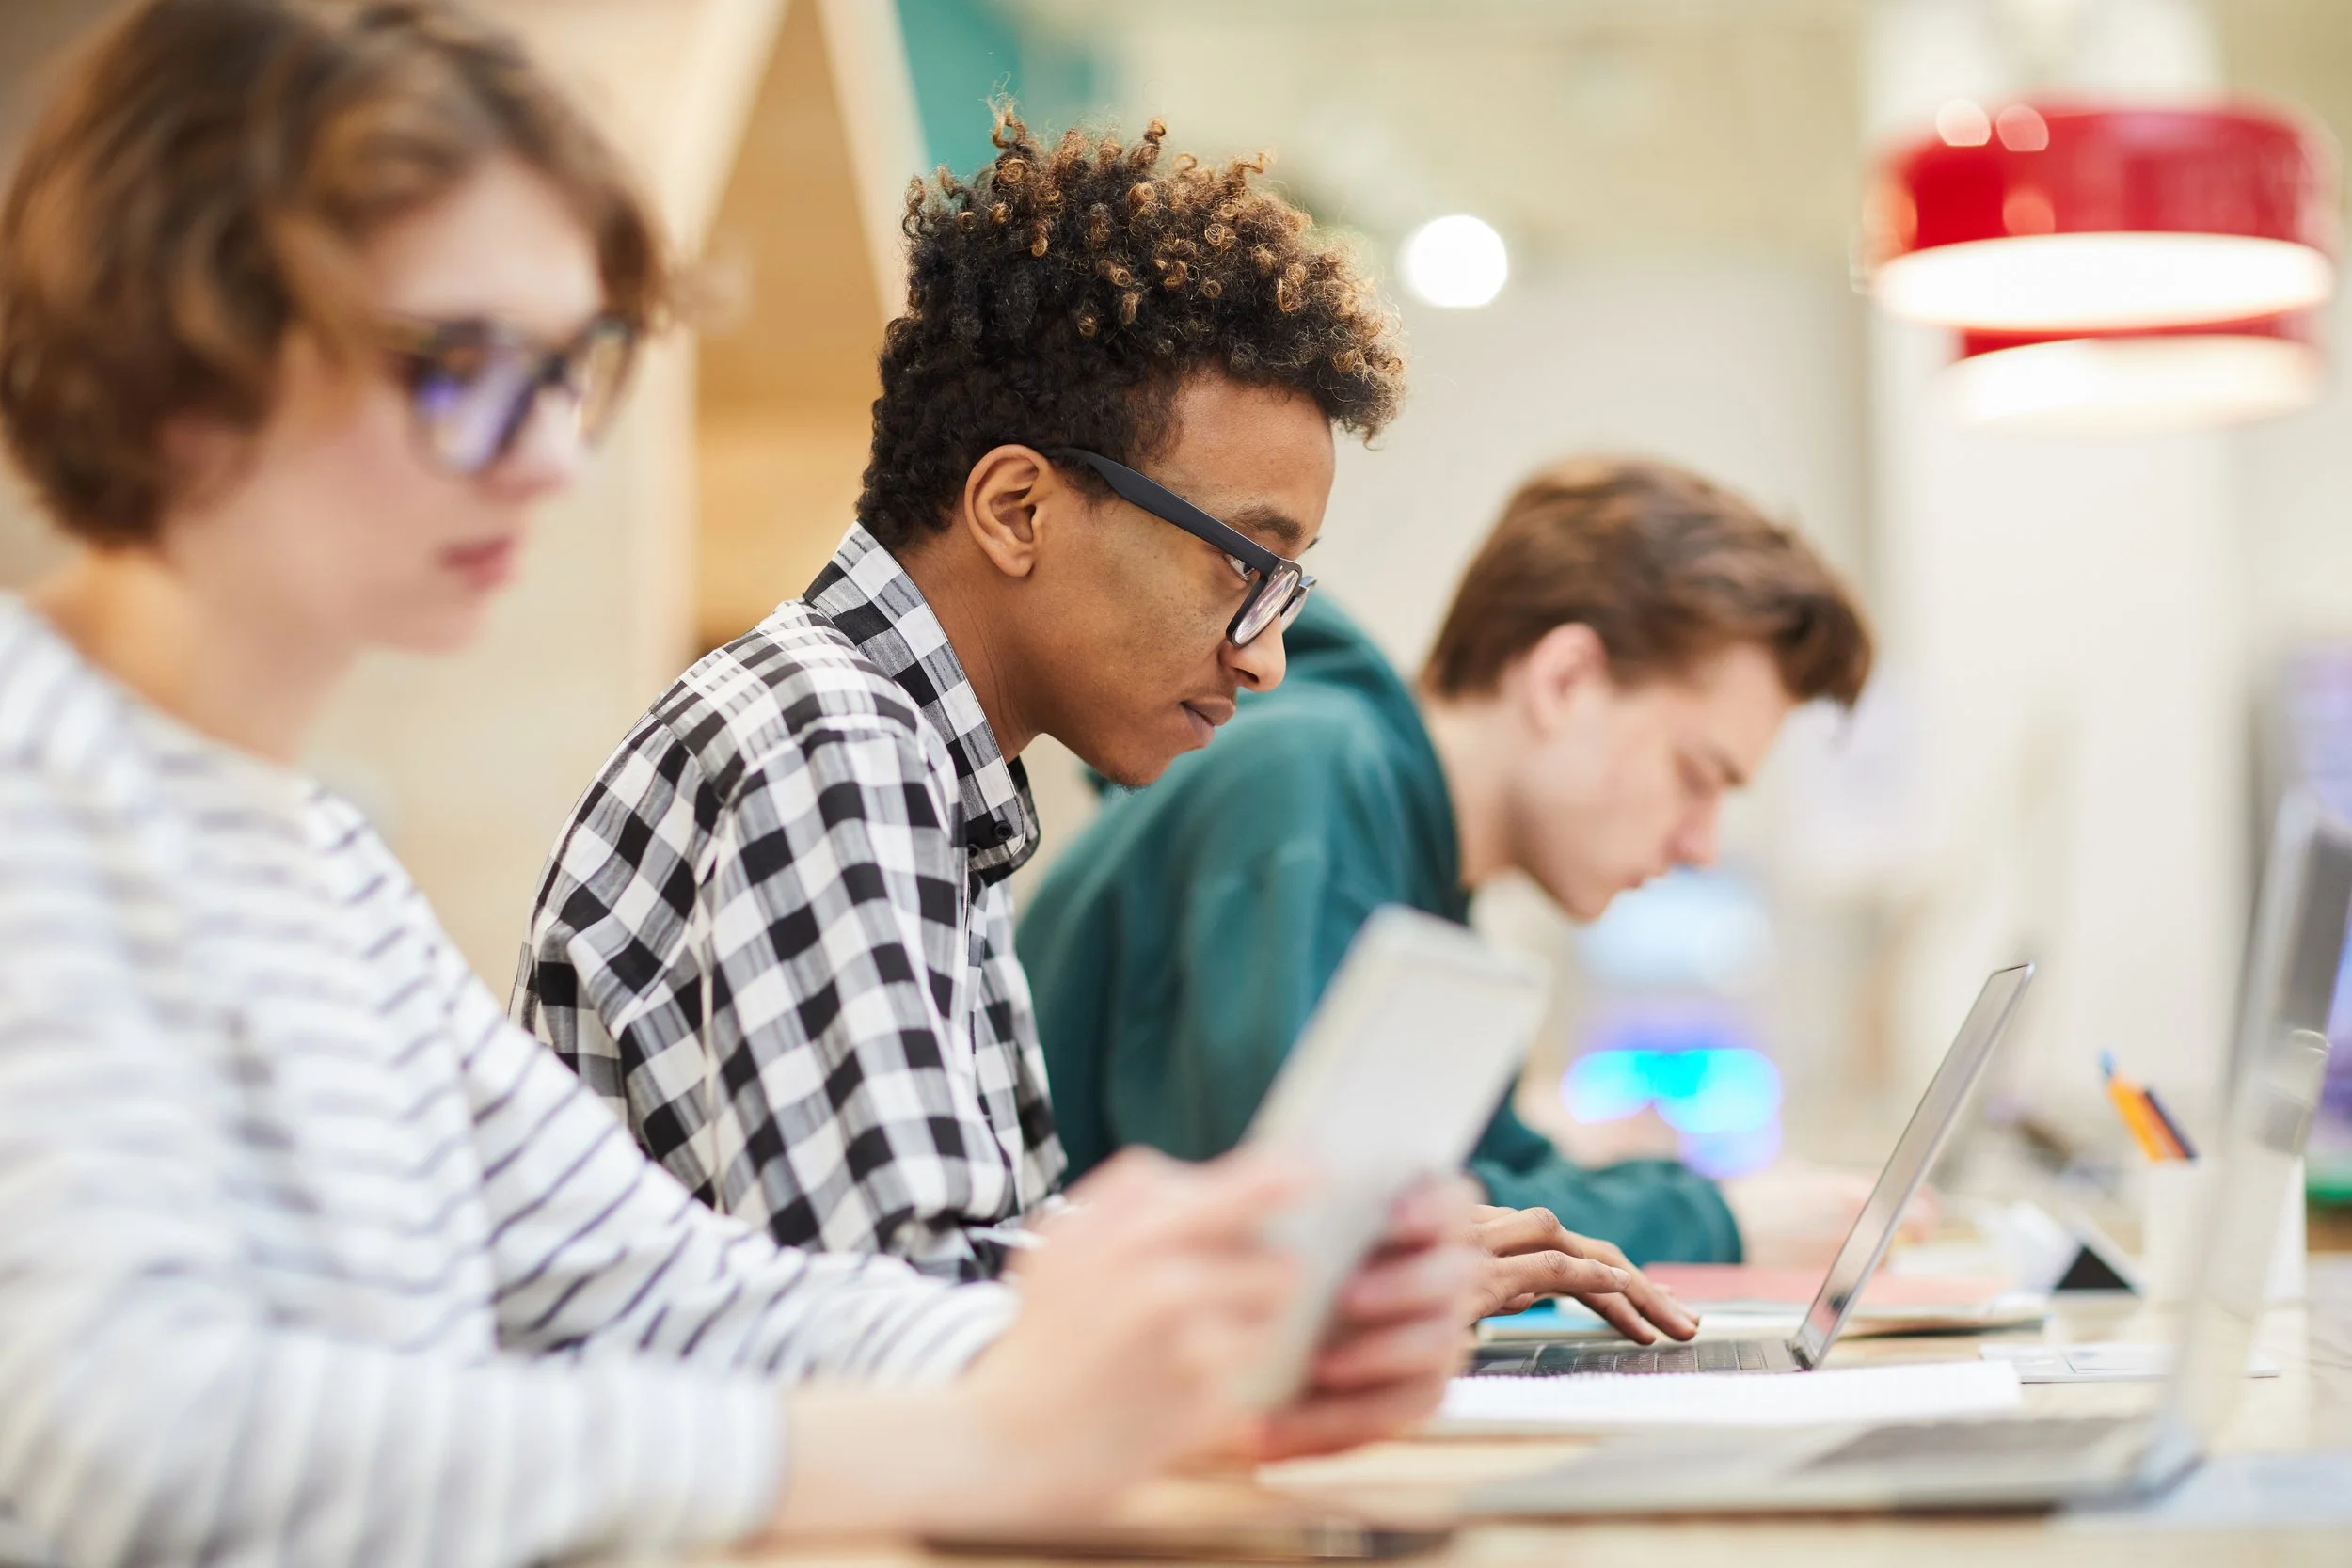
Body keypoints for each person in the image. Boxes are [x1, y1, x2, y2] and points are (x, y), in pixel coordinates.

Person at [0, 5, 1481, 1563]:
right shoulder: (36, 793)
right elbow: (141, 1438)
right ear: (184, 354)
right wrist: (970, 1421)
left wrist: (1181, 1353)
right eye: (462, 369)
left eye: (576, 372)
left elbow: (668, 1288)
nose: (554, 459)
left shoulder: (318, 862)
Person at [507, 103, 1677, 1332]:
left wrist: (1320, 1257)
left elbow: (972, 1242)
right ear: (1018, 508)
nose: (1270, 657)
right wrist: (1292, 1286)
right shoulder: (833, 739)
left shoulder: (916, 760)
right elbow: (903, 1313)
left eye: (1288, 586)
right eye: (1244, 565)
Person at [1018, 457, 1890, 1290]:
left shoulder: (1416, 873)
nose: (1702, 844)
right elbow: (1307, 1231)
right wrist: (1717, 1222)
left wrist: (1715, 1203)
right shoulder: (1308, 778)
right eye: (1698, 776)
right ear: (1566, 680)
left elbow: (1486, 1177)